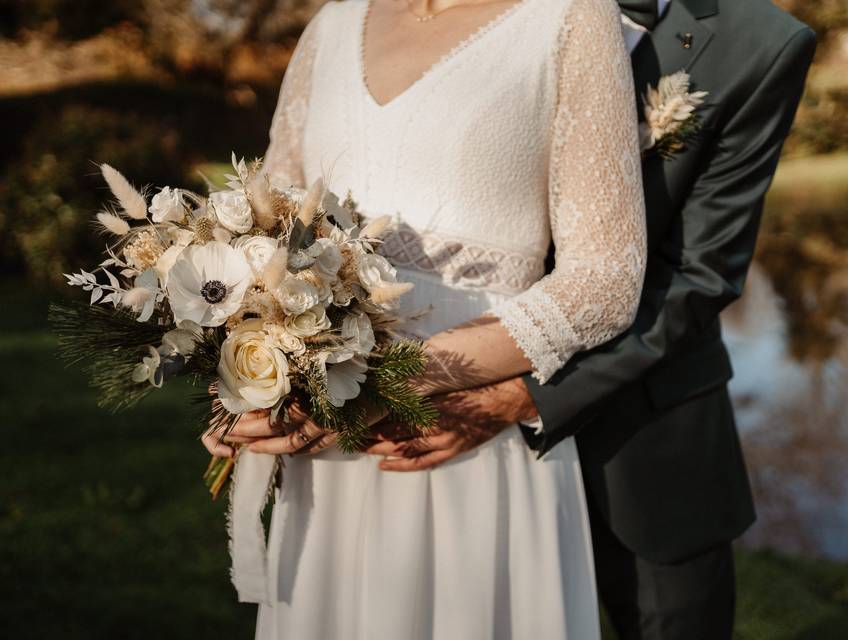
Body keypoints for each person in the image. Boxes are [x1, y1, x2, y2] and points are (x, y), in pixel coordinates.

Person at [357, 1, 818, 638]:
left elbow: (698, 274)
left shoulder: (763, 42)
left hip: (648, 436)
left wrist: (520, 395)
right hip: (455, 411)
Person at [203, 0, 647, 637]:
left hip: (464, 431)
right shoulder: (331, 24)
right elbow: (266, 233)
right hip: (327, 445)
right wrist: (240, 380)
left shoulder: (570, 17)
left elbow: (607, 279)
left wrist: (394, 383)